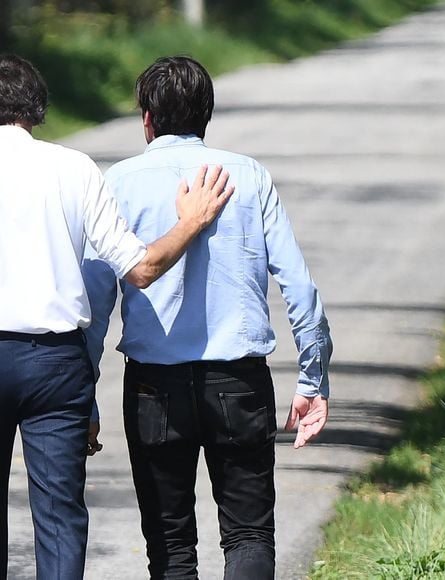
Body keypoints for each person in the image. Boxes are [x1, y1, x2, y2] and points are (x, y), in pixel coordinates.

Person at [82, 55, 332, 579]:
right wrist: (313, 375)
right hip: (238, 380)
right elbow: (300, 287)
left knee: (170, 545)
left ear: (146, 118)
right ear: (206, 115)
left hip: (155, 388)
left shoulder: (118, 182)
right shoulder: (248, 175)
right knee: (248, 533)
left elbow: (95, 302)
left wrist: (82, 396)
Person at [0, 53, 233, 580]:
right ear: (36, 110)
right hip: (55, 365)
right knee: (59, 516)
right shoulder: (74, 168)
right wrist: (191, 223)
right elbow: (142, 269)